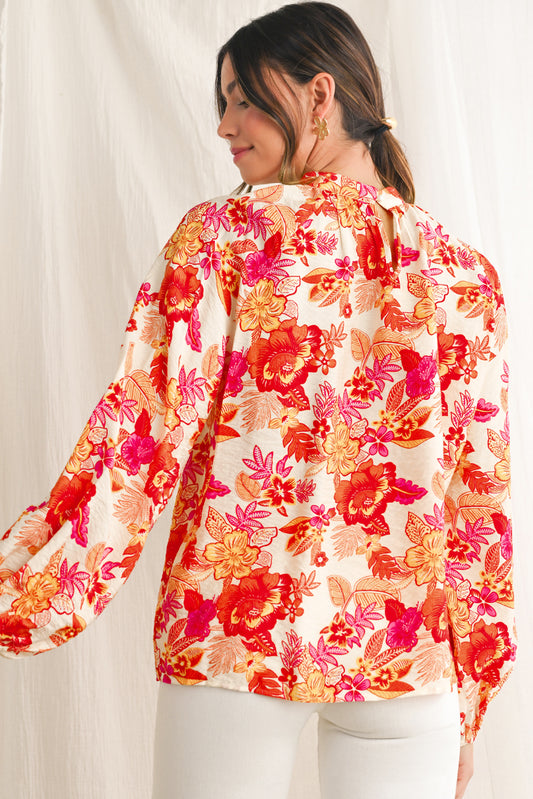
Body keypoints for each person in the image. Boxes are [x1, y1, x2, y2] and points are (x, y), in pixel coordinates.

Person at [0, 3, 515, 798]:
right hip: (409, 655)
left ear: (319, 94)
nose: (225, 125)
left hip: (232, 636)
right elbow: (478, 498)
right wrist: (471, 697)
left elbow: (139, 433)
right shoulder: (461, 272)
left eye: (243, 99)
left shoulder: (222, 237)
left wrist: (24, 588)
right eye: (224, 102)